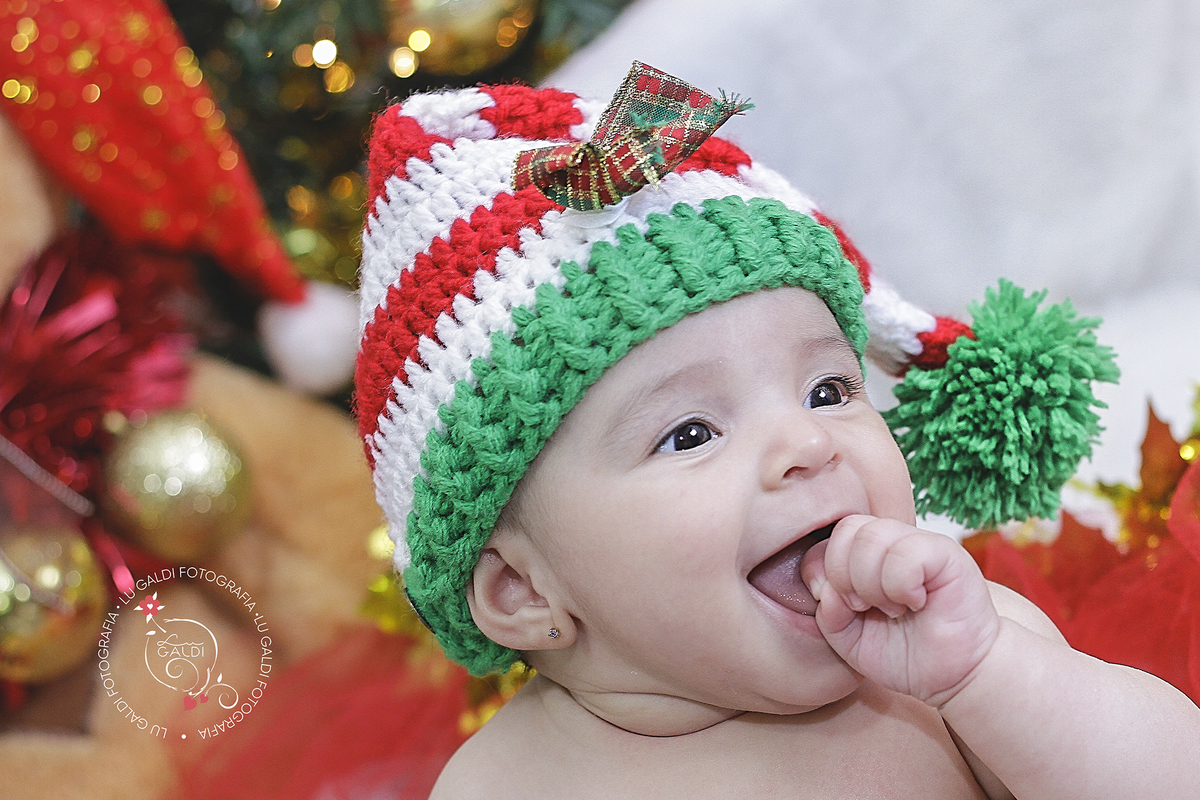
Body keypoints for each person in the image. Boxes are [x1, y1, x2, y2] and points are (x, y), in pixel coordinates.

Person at [353, 62, 1200, 798]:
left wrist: (994, 678)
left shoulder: (958, 665)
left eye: (829, 388)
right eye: (689, 434)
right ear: (523, 592)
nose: (808, 443)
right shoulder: (504, 786)